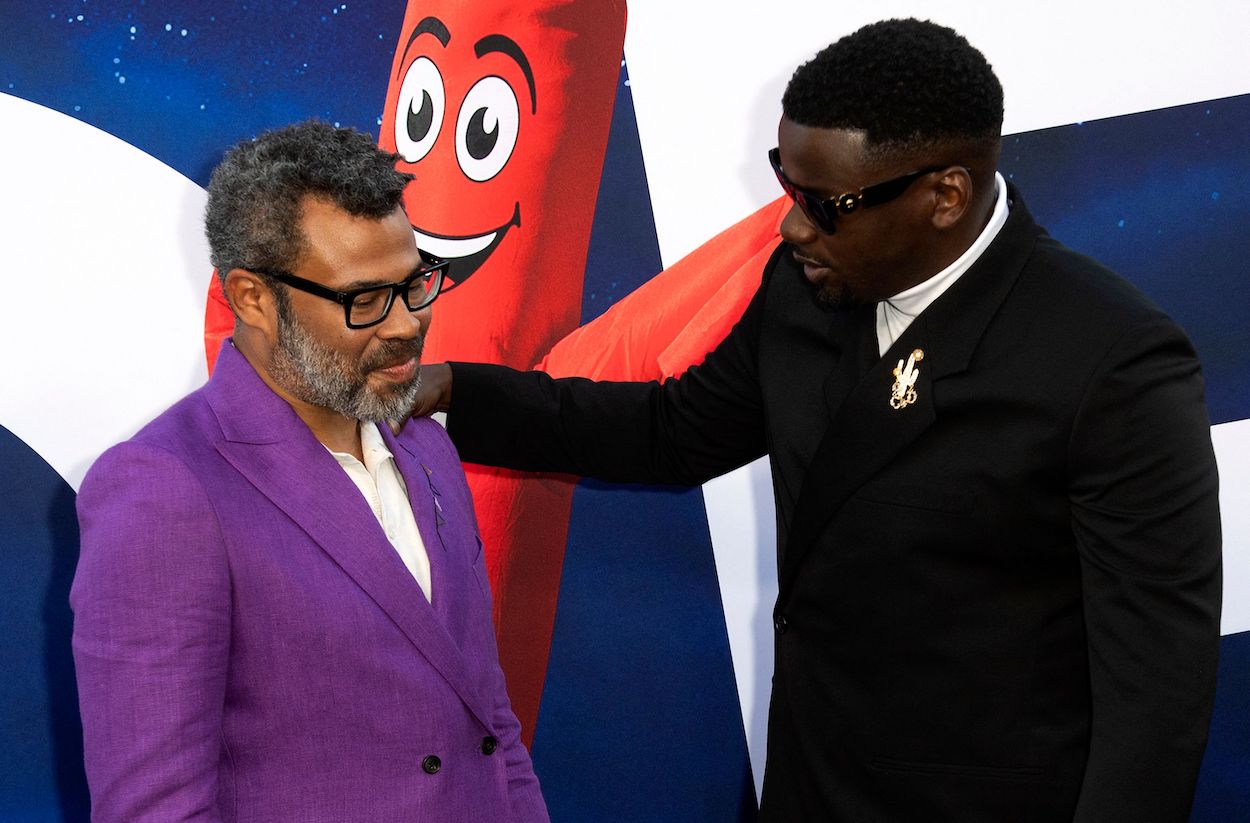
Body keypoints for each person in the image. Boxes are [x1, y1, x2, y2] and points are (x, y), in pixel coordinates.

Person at [411, 18, 1223, 823]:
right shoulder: (806, 287)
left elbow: (1154, 700)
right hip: (810, 789)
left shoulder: (1110, 361)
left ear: (945, 196)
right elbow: (669, 429)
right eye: (785, 185)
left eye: (824, 204)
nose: (792, 225)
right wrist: (451, 390)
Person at [71, 121, 549, 822]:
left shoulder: (427, 449)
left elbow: (491, 727)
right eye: (364, 299)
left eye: (415, 282)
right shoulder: (164, 489)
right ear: (252, 297)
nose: (406, 323)